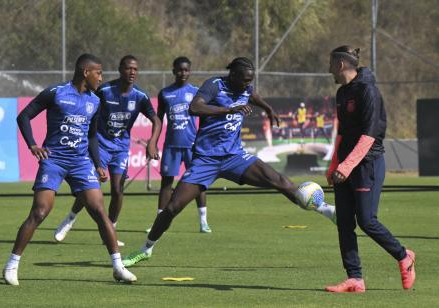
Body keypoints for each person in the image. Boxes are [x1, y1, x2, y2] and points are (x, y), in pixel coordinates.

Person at [122, 57, 336, 267]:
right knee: (172, 208)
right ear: (232, 75)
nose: (247, 85)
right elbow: (194, 108)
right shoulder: (214, 86)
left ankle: (327, 210)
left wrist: (268, 109)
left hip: (235, 157)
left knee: (278, 180)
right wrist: (228, 110)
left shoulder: (246, 88)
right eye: (244, 80)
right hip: (206, 160)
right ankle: (145, 250)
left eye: (250, 81)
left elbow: (253, 95)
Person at [2, 54, 136, 286]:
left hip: (80, 162)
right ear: (86, 72)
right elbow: (24, 116)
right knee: (40, 212)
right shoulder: (56, 93)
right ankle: (11, 265)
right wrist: (33, 145)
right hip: (54, 160)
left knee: (99, 211)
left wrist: (98, 163)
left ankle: (118, 266)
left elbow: (92, 135)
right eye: (99, 72)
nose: (101, 78)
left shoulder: (95, 101)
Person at [325, 46, 415, 293]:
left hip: (367, 164)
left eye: (331, 64)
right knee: (344, 223)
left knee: (366, 220)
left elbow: (369, 136)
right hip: (345, 166)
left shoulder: (368, 91)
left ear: (341, 65)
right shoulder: (342, 93)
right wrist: (334, 165)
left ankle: (404, 256)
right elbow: (342, 134)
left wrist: (346, 166)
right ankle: (355, 278)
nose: (328, 69)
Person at [53, 55, 162, 246]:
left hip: (120, 148)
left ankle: (109, 230)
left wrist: (152, 142)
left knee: (118, 190)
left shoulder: (140, 96)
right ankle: (70, 218)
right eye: (128, 68)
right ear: (120, 70)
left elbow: (156, 120)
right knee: (90, 186)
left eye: (135, 69)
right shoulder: (105, 91)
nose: (132, 72)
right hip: (100, 144)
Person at [153, 56, 211, 234]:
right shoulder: (165, 93)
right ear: (173, 71)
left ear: (190, 71)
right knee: (166, 183)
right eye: (179, 70)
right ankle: (159, 221)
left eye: (186, 70)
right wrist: (153, 142)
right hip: (171, 146)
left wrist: (204, 140)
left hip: (192, 145)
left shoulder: (196, 92)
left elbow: (205, 116)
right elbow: (158, 120)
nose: (183, 73)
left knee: (198, 182)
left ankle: (203, 221)